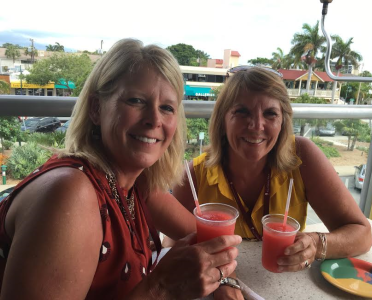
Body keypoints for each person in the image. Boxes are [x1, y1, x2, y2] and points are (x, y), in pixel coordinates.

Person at [0, 39, 242, 299]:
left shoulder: (134, 186)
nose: (154, 120)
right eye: (136, 100)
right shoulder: (70, 193)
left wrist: (226, 282)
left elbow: (209, 242)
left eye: (167, 108)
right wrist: (161, 288)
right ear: (96, 109)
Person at [157, 66, 372, 299]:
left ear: (282, 122)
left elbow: (362, 233)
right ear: (222, 120)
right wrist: (222, 278)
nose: (256, 125)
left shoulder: (303, 158)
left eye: (270, 113)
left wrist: (316, 243)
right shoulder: (194, 175)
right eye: (242, 112)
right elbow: (173, 245)